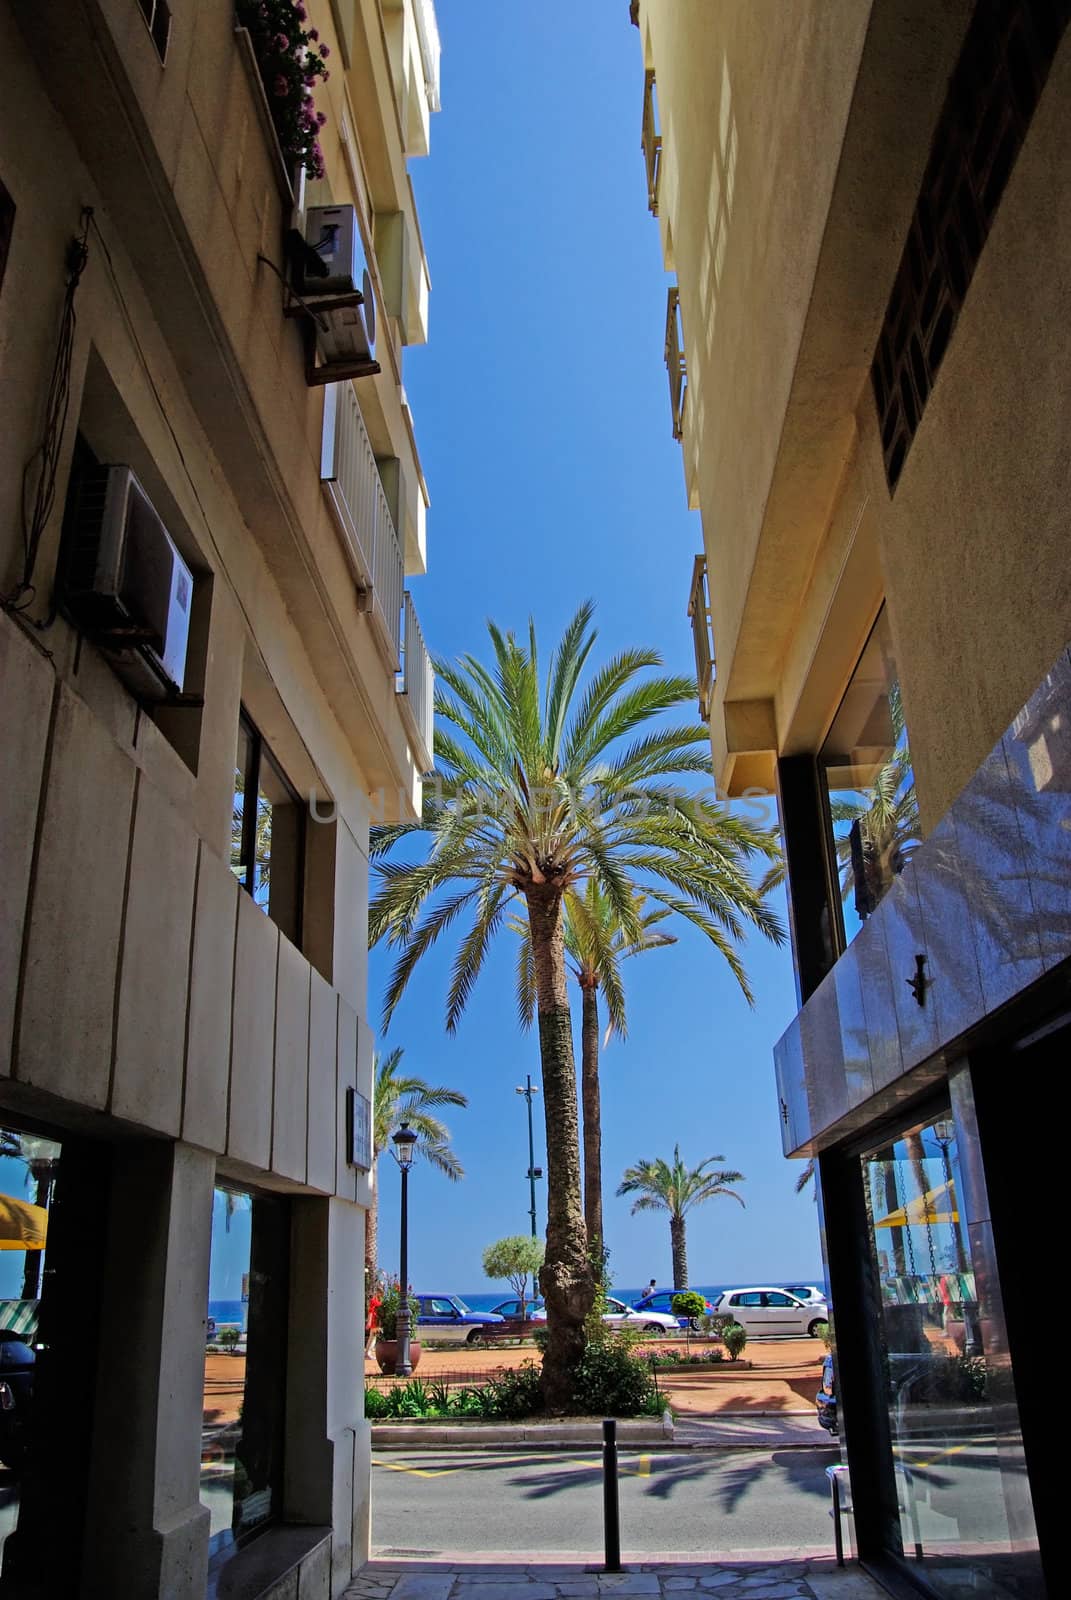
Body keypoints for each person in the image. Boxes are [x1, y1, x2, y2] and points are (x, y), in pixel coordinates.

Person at [365, 1285, 382, 1358]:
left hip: (376, 1321)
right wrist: (369, 1322)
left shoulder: (377, 1300)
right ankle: (368, 1353)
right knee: (373, 1337)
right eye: (380, 1292)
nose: (381, 1293)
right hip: (374, 1321)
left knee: (372, 1337)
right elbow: (371, 1311)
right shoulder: (374, 1301)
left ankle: (367, 1353)